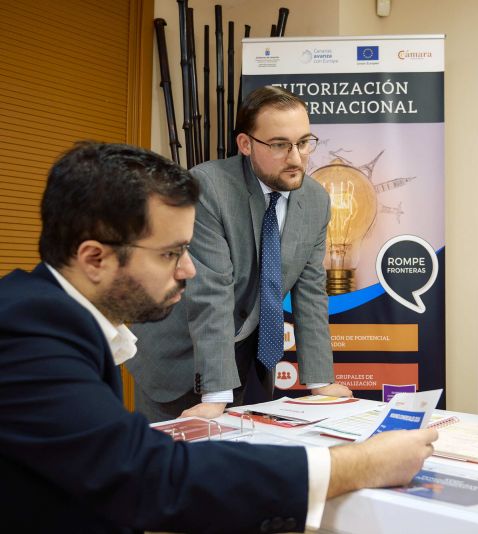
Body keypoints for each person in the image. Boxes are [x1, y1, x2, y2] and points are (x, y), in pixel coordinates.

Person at [0, 142, 437, 533]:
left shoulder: (54, 319)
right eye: (171, 253)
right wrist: (360, 464)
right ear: (95, 259)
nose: (188, 269)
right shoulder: (27, 332)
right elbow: (146, 477)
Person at [128, 86, 351, 423]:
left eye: (304, 142)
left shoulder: (315, 200)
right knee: (167, 455)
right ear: (246, 144)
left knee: (231, 453)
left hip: (239, 358)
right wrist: (216, 395)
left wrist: (321, 382)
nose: (296, 158)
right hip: (177, 357)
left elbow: (310, 293)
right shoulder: (208, 187)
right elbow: (211, 292)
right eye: (279, 145)